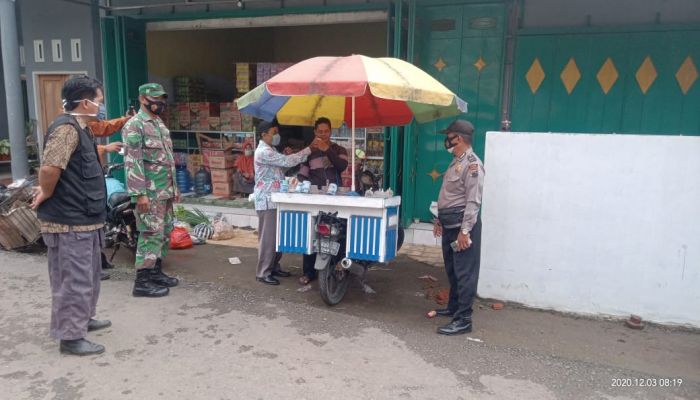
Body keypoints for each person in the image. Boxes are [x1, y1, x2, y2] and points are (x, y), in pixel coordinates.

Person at [31, 75, 112, 356]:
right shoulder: (65, 129)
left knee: (88, 276)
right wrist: (45, 191)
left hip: (86, 219)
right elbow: (49, 169)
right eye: (99, 101)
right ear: (86, 102)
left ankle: (83, 320)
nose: (101, 106)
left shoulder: (83, 128)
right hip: (68, 222)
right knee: (73, 280)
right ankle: (70, 337)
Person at [122, 83, 179, 297]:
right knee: (150, 233)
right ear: (142, 99)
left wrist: (175, 187)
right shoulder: (134, 125)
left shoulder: (159, 124)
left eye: (161, 98)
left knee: (164, 232)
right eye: (154, 98)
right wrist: (139, 194)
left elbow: (168, 160)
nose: (159, 102)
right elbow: (132, 162)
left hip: (165, 190)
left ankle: (156, 271)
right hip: (150, 193)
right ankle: (142, 281)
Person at [432, 119, 484, 336]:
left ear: (459, 138)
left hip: (462, 228)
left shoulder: (473, 164)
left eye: (449, 136)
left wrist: (465, 232)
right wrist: (438, 220)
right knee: (453, 271)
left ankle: (464, 319)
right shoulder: (456, 162)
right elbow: (449, 196)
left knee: (465, 274)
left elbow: (473, 201)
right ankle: (454, 308)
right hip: (450, 226)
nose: (447, 140)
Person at [254, 120, 320, 285]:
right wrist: (309, 149)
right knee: (268, 238)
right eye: (273, 132)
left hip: (276, 199)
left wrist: (285, 155)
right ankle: (263, 272)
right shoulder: (263, 151)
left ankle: (274, 266)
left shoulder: (271, 150)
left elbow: (281, 168)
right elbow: (287, 163)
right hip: (267, 200)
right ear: (263, 135)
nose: (277, 135)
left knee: (277, 237)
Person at [297, 117, 348, 285]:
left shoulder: (339, 149)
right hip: (314, 198)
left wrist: (328, 150)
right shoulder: (309, 152)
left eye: (326, 131)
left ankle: (339, 266)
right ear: (315, 132)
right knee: (311, 233)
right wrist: (300, 183)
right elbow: (302, 174)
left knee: (340, 231)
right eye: (320, 132)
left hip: (335, 199)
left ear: (331, 132)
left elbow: (341, 166)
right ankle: (309, 272)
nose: (323, 134)